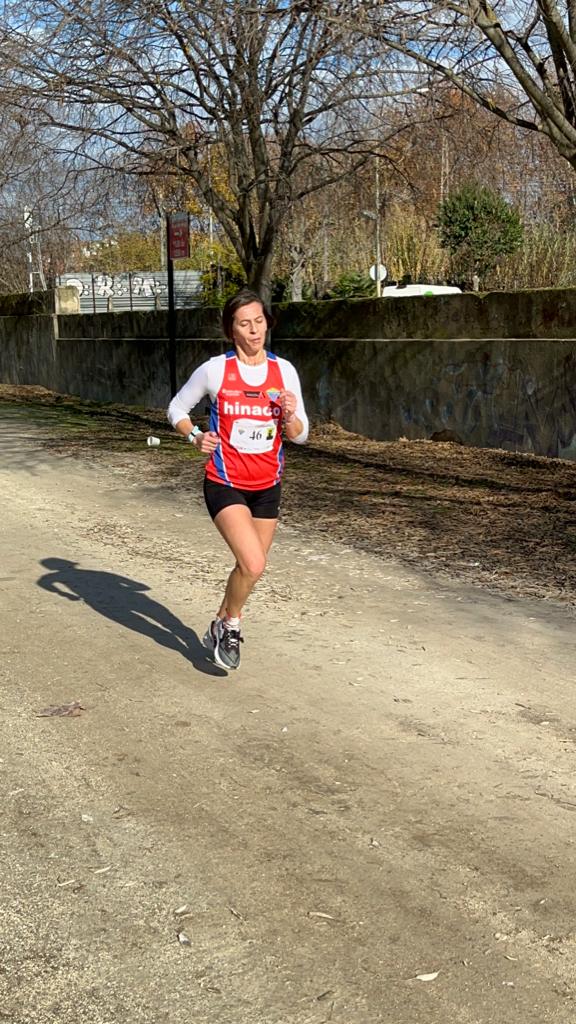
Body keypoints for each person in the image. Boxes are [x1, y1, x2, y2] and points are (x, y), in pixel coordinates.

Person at [167, 288, 309, 671]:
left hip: (267, 484)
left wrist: (289, 415)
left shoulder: (285, 371)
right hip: (225, 480)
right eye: (244, 324)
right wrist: (195, 435)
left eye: (259, 321)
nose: (254, 330)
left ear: (268, 323)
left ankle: (218, 623)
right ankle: (231, 624)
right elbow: (177, 407)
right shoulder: (216, 370)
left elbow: (300, 435)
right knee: (253, 563)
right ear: (232, 330)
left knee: (251, 566)